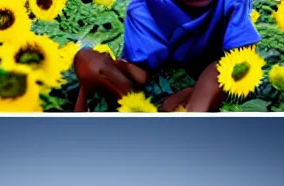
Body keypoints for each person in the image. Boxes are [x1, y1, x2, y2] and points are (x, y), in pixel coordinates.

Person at [73, 0, 261, 112]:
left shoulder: (230, 3)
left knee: (218, 71)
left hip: (210, 74)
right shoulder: (145, 8)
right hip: (155, 88)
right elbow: (141, 72)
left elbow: (242, 56)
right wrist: (114, 68)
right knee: (87, 61)